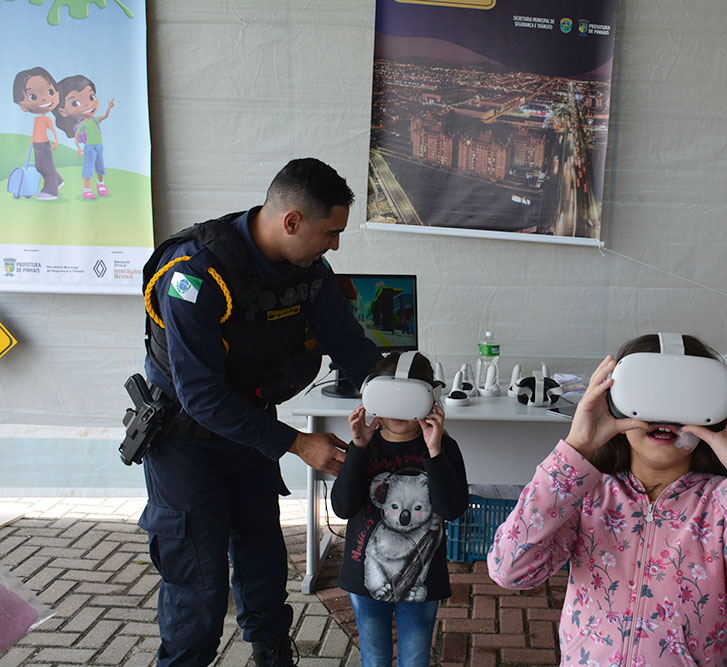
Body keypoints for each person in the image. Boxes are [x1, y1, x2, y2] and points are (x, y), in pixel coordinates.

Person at [138, 157, 380, 667]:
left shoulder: (308, 271)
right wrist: (297, 442)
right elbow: (201, 397)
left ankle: (272, 654)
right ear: (292, 221)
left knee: (264, 561)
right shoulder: (194, 274)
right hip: (184, 442)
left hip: (247, 434)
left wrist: (397, 403)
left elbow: (350, 347)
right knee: (199, 583)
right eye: (330, 232)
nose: (335, 244)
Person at [488, 334, 727, 666]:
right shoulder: (586, 494)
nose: (665, 416)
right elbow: (510, 569)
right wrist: (576, 450)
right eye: (649, 393)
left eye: (686, 398)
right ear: (613, 399)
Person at [331, 351, 469, 667]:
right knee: (375, 657)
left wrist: (434, 452)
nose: (398, 412)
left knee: (415, 659)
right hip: (365, 580)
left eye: (409, 401)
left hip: (423, 582)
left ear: (430, 399)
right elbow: (342, 507)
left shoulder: (444, 448)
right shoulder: (365, 445)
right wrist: (358, 449)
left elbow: (452, 509)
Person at [54, 74, 113, 199]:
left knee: (100, 167)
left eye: (91, 97)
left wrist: (109, 107)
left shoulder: (95, 120)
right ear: (63, 111)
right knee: (88, 168)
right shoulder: (81, 124)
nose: (87, 104)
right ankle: (87, 190)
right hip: (89, 148)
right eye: (75, 103)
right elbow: (76, 137)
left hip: (99, 147)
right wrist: (79, 149)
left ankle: (101, 184)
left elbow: (105, 116)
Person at [12, 67, 63, 200]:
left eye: (50, 91)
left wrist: (56, 141)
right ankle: (58, 181)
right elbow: (37, 131)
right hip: (37, 144)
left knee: (45, 167)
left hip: (44, 145)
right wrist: (33, 140)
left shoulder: (46, 119)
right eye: (33, 96)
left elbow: (52, 130)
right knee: (40, 166)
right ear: (22, 105)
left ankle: (51, 191)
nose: (44, 99)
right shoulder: (37, 119)